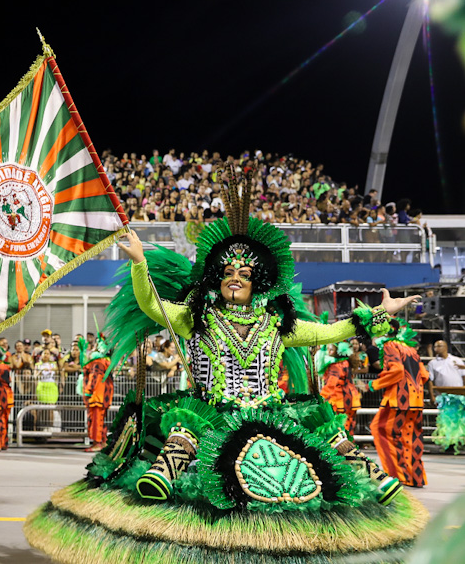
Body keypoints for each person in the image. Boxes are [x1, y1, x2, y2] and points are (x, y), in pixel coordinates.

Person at [25, 162, 426, 564]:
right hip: (211, 413)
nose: (235, 277)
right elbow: (151, 304)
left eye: (244, 273)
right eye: (227, 272)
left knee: (326, 437)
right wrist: (139, 263)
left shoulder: (278, 325)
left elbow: (331, 331)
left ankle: (367, 479)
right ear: (217, 278)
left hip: (270, 415)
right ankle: (162, 478)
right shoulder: (193, 317)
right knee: (186, 430)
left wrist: (379, 312)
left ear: (258, 282)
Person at [368, 319, 430, 488]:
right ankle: (415, 478)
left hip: (399, 399)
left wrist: (375, 384)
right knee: (411, 436)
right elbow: (424, 375)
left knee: (381, 430)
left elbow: (396, 370)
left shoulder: (389, 345)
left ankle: (397, 476)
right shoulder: (410, 348)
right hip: (416, 399)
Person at [317, 341, 362, 437]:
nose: (329, 351)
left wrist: (320, 398)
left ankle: (343, 450)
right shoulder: (346, 363)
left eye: (332, 349)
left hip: (339, 400)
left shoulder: (336, 365)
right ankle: (350, 449)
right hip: (351, 400)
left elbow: (331, 384)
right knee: (349, 428)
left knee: (339, 430)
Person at [81, 335, 113, 453]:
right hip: (103, 396)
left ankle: (97, 443)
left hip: (96, 396)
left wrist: (88, 392)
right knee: (100, 420)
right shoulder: (106, 362)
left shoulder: (98, 362)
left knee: (95, 421)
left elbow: (94, 378)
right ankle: (103, 442)